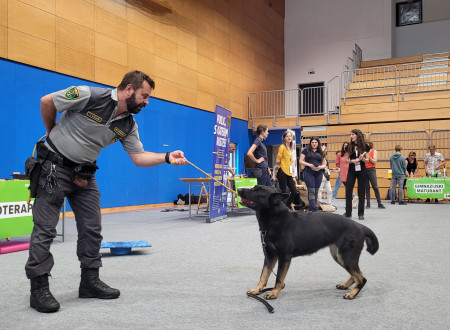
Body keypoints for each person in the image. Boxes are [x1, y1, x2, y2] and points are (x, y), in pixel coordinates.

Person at [25, 71, 188, 313]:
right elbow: (47, 101)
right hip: (53, 167)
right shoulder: (89, 95)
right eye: (144, 96)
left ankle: (89, 281)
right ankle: (38, 287)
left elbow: (139, 157)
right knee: (46, 228)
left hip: (84, 174)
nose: (146, 102)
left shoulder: (128, 124)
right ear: (129, 89)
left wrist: (166, 157)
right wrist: (52, 132)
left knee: (92, 227)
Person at [344, 129, 370, 220]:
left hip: (362, 170)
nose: (351, 136)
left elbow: (367, 160)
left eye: (353, 134)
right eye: (350, 134)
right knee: (348, 191)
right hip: (351, 170)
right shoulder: (349, 146)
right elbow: (346, 160)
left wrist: (361, 158)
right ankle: (348, 213)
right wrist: (352, 161)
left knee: (361, 191)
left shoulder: (365, 146)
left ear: (357, 135)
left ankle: (361, 213)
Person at [299, 137, 326, 212]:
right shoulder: (306, 150)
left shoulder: (321, 152)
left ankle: (311, 208)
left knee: (316, 191)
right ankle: (314, 209)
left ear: (318, 143)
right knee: (311, 190)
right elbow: (300, 161)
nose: (314, 144)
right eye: (312, 142)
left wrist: (321, 167)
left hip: (319, 173)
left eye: (315, 142)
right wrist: (308, 164)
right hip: (308, 172)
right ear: (310, 143)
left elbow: (324, 164)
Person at [275, 130, 298, 208]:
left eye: (290, 136)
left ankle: (286, 206)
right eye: (287, 136)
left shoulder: (290, 148)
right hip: (282, 171)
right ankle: (280, 208)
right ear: (284, 138)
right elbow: (277, 160)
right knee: (283, 192)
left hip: (289, 172)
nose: (289, 138)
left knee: (294, 191)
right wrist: (278, 164)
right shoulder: (282, 147)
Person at [364, 140, 385, 209]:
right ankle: (368, 204)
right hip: (364, 170)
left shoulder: (374, 151)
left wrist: (368, 156)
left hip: (371, 169)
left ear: (370, 145)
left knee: (375, 186)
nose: (366, 146)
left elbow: (374, 162)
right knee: (366, 187)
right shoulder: (363, 152)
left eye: (367, 144)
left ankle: (379, 203)